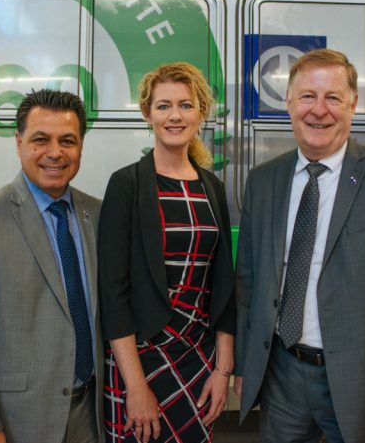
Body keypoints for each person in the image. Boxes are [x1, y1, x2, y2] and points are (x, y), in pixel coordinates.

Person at [234, 49, 365, 443]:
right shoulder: (263, 181)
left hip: (363, 383)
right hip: (281, 376)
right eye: (307, 97)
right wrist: (246, 365)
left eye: (332, 97)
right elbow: (248, 281)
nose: (319, 110)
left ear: (353, 104)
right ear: (290, 104)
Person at [0, 89, 102, 443]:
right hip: (19, 421)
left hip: (92, 416)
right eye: (40, 140)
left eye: (68, 141)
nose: (55, 153)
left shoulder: (97, 214)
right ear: (18, 142)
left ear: (81, 147)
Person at [98, 62, 236, 443]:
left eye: (186, 105)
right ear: (147, 114)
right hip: (139, 359)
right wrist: (136, 387)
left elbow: (223, 284)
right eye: (163, 106)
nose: (175, 115)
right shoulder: (126, 184)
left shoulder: (213, 187)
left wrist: (222, 369)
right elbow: (113, 293)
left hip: (199, 357)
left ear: (200, 113)